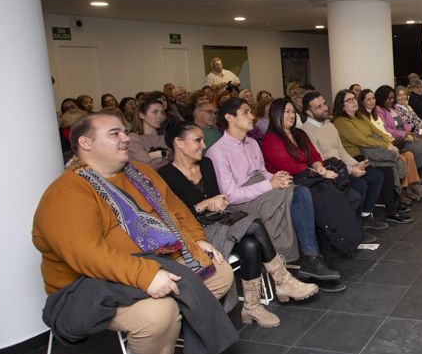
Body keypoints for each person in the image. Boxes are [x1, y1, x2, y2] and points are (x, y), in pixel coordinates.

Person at [33, 113, 235, 354]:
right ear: (85, 143)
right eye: (114, 134)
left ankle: (151, 345)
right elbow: (88, 255)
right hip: (89, 285)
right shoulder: (67, 192)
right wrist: (148, 276)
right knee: (159, 312)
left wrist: (196, 239)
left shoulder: (139, 172)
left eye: (124, 132)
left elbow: (176, 209)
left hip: (153, 262)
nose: (126, 138)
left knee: (220, 273)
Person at [159, 122, 318, 328]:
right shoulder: (165, 176)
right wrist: (201, 206)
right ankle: (282, 280)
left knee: (251, 244)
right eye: (197, 140)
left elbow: (220, 197)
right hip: (198, 233)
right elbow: (172, 216)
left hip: (222, 220)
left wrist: (220, 201)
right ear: (179, 143)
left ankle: (252, 306)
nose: (204, 145)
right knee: (254, 225)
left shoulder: (206, 164)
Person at [207, 98, 341, 282]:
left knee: (300, 189)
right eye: (245, 112)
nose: (252, 116)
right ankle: (310, 257)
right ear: (229, 117)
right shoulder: (217, 152)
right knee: (300, 193)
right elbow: (231, 195)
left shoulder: (252, 143)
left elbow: (262, 172)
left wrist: (276, 177)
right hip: (243, 203)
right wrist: (270, 184)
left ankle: (315, 254)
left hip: (261, 191)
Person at [261, 97, 377, 252]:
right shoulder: (271, 139)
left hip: (310, 175)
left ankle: (347, 235)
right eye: (286, 112)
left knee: (345, 191)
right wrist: (320, 173)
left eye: (293, 112)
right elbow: (289, 166)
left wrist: (319, 167)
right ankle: (342, 238)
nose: (291, 115)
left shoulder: (299, 134)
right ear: (276, 114)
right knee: (330, 193)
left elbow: (314, 155)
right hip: (290, 181)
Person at [300, 91, 409, 226]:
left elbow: (341, 151)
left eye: (324, 104)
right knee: (361, 184)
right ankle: (355, 224)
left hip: (343, 164)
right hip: (328, 171)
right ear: (309, 112)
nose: (325, 108)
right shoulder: (306, 131)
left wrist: (357, 164)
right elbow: (320, 160)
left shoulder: (329, 125)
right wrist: (351, 170)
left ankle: (365, 216)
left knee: (377, 175)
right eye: (319, 107)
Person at [333, 90, 421, 218]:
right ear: (341, 105)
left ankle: (394, 202)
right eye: (349, 100)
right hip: (356, 156)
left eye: (354, 98)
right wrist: (386, 145)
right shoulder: (341, 122)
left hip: (371, 151)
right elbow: (361, 139)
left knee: (396, 163)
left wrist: (388, 142)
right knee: (387, 170)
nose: (353, 102)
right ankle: (391, 210)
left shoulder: (360, 116)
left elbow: (377, 131)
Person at [352, 89, 422, 203]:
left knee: (409, 155)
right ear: (362, 101)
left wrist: (391, 139)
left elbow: (382, 131)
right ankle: (399, 192)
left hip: (387, 142)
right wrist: (389, 142)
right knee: (404, 157)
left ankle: (407, 187)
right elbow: (372, 136)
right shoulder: (363, 116)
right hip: (377, 148)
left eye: (373, 98)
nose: (372, 101)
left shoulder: (375, 113)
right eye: (368, 99)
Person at [373, 85, 422, 171]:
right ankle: (420, 172)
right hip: (396, 139)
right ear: (382, 98)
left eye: (393, 98)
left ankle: (420, 168)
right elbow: (386, 129)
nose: (391, 100)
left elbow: (404, 122)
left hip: (406, 135)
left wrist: (409, 132)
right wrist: (404, 134)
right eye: (388, 98)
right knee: (418, 150)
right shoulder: (379, 110)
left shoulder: (395, 107)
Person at [128, 98, 171, 169]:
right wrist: (164, 154)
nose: (160, 116)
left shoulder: (164, 135)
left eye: (162, 112)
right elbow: (147, 164)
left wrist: (155, 155)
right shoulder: (133, 139)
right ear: (142, 115)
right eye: (155, 112)